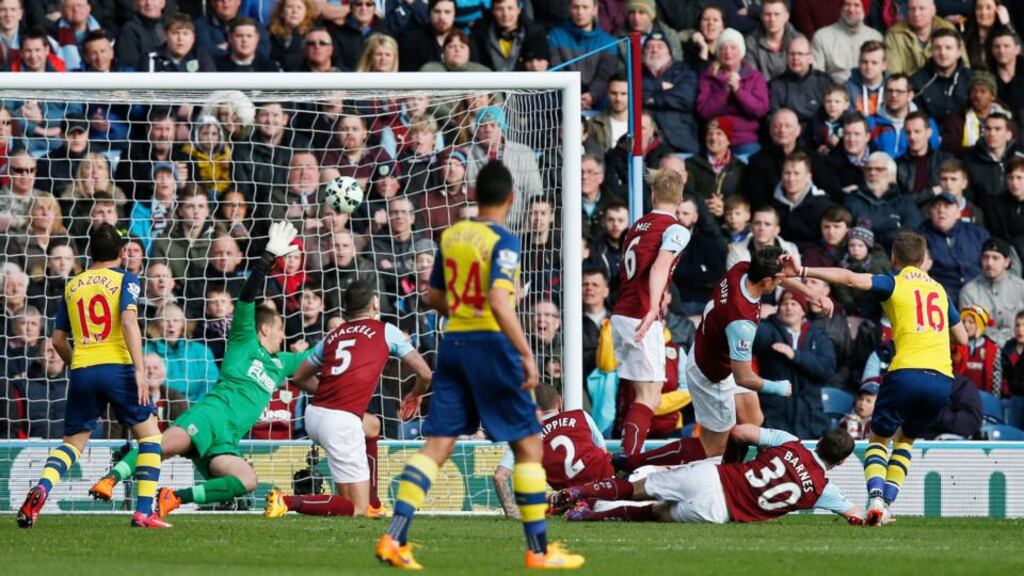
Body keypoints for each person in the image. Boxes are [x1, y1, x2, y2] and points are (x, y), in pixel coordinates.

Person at [375, 161, 585, 570]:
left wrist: (463, 307)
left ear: (473, 195)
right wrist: (526, 353)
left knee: (436, 447)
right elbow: (498, 300)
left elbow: (432, 297)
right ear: (511, 199)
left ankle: (393, 538)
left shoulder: (452, 235)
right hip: (491, 345)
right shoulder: (505, 240)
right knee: (528, 446)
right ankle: (539, 552)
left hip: (452, 344)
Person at [87, 221, 312, 520]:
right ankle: (111, 478)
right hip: (208, 417)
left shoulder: (283, 363)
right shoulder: (244, 339)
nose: (284, 335)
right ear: (266, 328)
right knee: (161, 448)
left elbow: (320, 354)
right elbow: (246, 296)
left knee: (247, 480)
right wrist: (268, 258)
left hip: (227, 440)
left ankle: (174, 498)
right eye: (281, 328)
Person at [780, 230, 969, 525]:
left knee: (878, 438)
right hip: (942, 378)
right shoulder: (940, 291)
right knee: (906, 440)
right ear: (922, 261)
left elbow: (851, 279)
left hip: (906, 371)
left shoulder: (894, 282)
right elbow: (963, 337)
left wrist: (803, 270)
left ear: (894, 259)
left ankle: (876, 499)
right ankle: (887, 505)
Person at [614, 245, 814, 476]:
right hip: (712, 375)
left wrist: (811, 294)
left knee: (753, 420)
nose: (781, 283)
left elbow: (778, 277)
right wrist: (777, 387)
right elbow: (744, 377)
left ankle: (729, 478)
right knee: (712, 446)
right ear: (768, 281)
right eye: (779, 280)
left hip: (715, 350)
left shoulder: (740, 270)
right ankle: (632, 463)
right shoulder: (741, 322)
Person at [16, 224, 167, 528]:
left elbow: (58, 340)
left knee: (73, 443)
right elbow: (127, 320)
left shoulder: (73, 285)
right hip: (118, 367)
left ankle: (41, 489)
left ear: (89, 252)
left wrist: (78, 366)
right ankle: (143, 511)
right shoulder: (127, 279)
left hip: (83, 368)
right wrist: (139, 370)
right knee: (151, 438)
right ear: (122, 252)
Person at [265, 279, 432, 518]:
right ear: (375, 303)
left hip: (314, 414)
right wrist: (416, 394)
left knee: (372, 425)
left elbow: (299, 377)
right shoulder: (385, 330)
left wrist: (329, 391)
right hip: (340, 423)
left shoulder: (333, 335)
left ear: (346, 308)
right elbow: (425, 373)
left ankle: (374, 501)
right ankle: (287, 501)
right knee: (355, 509)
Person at [551, 425, 864, 525]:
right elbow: (856, 515)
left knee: (635, 488)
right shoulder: (824, 489)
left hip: (713, 477)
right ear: (840, 462)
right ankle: (588, 518)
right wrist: (876, 513)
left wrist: (734, 459)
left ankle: (581, 492)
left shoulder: (789, 442)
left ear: (820, 440)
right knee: (655, 514)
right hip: (717, 512)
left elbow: (739, 431)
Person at [610, 168, 690, 457]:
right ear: (680, 199)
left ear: (653, 194)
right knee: (650, 396)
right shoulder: (676, 229)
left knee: (642, 393)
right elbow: (659, 266)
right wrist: (654, 307)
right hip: (641, 314)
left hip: (621, 311)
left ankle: (629, 450)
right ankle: (628, 458)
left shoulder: (637, 225)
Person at [493, 385, 613, 519]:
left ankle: (580, 505)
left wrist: (512, 514)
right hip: (611, 484)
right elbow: (603, 451)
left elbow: (499, 477)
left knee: (548, 504)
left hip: (576, 495)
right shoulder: (581, 415)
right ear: (559, 402)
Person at [548, 0, 617, 111]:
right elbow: (556, 71)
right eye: (576, 7)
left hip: (599, 103)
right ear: (569, 9)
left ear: (595, 9)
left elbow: (605, 77)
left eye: (585, 7)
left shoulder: (608, 42)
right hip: (563, 101)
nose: (580, 12)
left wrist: (591, 96)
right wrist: (573, 98)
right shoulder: (555, 36)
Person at [960, 238, 1024, 345]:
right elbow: (968, 330)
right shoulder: (968, 292)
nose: (989, 263)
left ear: (1007, 262)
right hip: (983, 351)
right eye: (986, 257)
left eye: (995, 258)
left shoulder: (1021, 288)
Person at [884, 0, 966, 75]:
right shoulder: (894, 35)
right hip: (908, 88)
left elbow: (964, 67)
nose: (916, 13)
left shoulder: (948, 28)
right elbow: (893, 74)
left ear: (933, 11)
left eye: (922, 8)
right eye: (912, 9)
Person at [811, 0, 882, 83]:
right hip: (832, 90)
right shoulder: (822, 36)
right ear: (841, 8)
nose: (851, 10)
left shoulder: (875, 37)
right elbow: (816, 77)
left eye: (856, 5)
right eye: (847, 4)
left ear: (864, 9)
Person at [744, 0, 802, 82]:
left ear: (786, 17)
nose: (772, 19)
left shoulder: (799, 41)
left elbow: (802, 76)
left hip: (793, 92)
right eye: (768, 14)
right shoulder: (751, 42)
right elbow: (752, 78)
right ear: (762, 17)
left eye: (777, 14)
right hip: (762, 93)